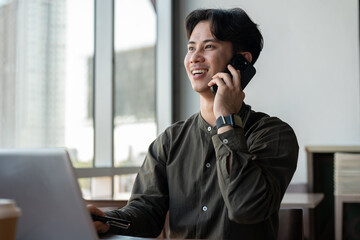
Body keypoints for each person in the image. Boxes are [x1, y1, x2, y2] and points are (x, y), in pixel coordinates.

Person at [88, 8, 299, 240]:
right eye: (191, 48)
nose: (194, 57)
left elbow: (246, 207)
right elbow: (147, 213)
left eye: (208, 46)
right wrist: (108, 221)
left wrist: (226, 120)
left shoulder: (273, 134)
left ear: (241, 62)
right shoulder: (170, 140)